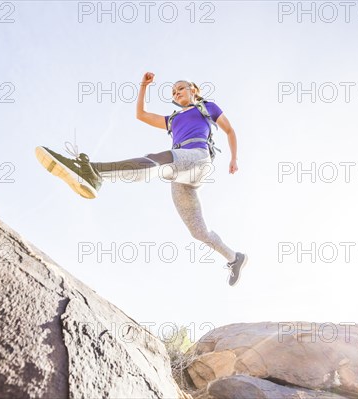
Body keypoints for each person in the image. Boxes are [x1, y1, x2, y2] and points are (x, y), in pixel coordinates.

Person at [35, 72, 248, 286]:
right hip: (180, 175)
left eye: (180, 88)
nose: (176, 92)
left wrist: (234, 158)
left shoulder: (206, 107)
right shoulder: (173, 119)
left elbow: (229, 130)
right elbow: (141, 115)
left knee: (156, 161)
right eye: (173, 91)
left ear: (193, 90)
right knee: (198, 231)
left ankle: (92, 171)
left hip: (198, 159)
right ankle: (234, 258)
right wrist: (143, 86)